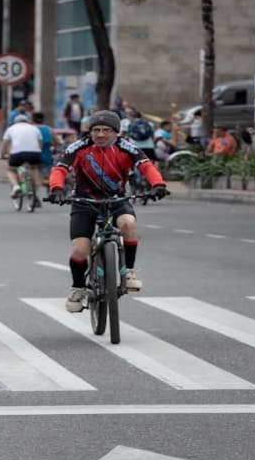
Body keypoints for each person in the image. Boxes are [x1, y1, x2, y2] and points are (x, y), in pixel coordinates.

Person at [47, 110, 168, 312]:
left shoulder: (126, 147)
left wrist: (158, 184)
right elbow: (60, 169)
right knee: (80, 250)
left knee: (128, 224)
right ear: (90, 131)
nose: (101, 135)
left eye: (106, 130)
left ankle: (129, 271)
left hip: (116, 200)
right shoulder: (78, 147)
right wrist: (56, 189)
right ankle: (78, 288)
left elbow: (146, 165)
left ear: (116, 132)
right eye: (96, 130)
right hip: (84, 202)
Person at [0, 113, 45, 202]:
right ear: (27, 121)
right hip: (34, 153)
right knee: (34, 168)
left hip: (17, 153)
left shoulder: (11, 129)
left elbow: (4, 144)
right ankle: (35, 189)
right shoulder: (34, 128)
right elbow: (40, 143)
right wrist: (38, 151)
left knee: (11, 170)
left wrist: (1, 155)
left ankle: (16, 186)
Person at [32, 112, 59, 191]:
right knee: (46, 176)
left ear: (33, 119)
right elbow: (57, 142)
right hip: (46, 156)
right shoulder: (49, 129)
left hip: (33, 155)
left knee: (32, 172)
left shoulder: (31, 129)